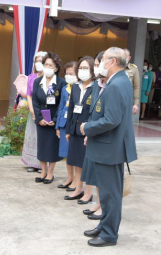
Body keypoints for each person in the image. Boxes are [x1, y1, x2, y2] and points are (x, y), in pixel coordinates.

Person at [80, 47, 137, 247]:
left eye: (102, 59)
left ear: (112, 61)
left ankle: (109, 234)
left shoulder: (116, 84)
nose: (100, 63)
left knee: (110, 194)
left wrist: (88, 127)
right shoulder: (119, 81)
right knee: (106, 192)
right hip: (107, 145)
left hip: (110, 147)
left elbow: (111, 120)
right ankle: (104, 226)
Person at [32, 52, 67, 184]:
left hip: (53, 120)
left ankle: (50, 173)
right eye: (45, 64)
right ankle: (43, 171)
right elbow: (35, 101)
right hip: (41, 120)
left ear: (56, 68)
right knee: (42, 146)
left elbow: (62, 103)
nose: (47, 67)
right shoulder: (37, 82)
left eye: (50, 65)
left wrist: (56, 119)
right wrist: (39, 118)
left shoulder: (61, 82)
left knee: (52, 146)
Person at [65, 56, 94, 203]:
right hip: (75, 130)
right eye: (81, 68)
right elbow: (71, 109)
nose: (83, 71)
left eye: (86, 68)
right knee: (76, 161)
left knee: (86, 163)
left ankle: (88, 193)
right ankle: (78, 189)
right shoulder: (76, 86)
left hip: (87, 131)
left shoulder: (96, 88)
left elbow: (95, 112)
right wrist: (69, 130)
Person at [82, 51, 105, 220]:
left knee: (104, 174)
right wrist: (88, 131)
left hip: (105, 135)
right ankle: (98, 202)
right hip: (94, 131)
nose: (96, 68)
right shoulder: (98, 83)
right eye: (95, 65)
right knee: (95, 172)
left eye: (98, 64)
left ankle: (103, 205)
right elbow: (92, 111)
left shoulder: (115, 84)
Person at [21, 51, 46, 172]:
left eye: (41, 61)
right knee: (32, 135)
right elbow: (29, 95)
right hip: (33, 112)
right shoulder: (31, 77)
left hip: (45, 112)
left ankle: (43, 164)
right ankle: (32, 163)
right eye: (36, 61)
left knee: (43, 137)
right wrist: (32, 111)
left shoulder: (49, 77)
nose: (38, 63)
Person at [56, 61, 78, 189]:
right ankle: (69, 177)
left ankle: (76, 179)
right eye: (67, 73)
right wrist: (58, 126)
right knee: (66, 154)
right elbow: (61, 107)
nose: (69, 76)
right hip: (64, 124)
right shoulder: (65, 88)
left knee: (74, 154)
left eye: (72, 73)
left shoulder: (81, 88)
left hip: (75, 124)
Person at [124, 48, 140, 115]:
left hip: (127, 100)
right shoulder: (115, 67)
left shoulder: (134, 69)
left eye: (125, 56)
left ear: (129, 57)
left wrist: (136, 103)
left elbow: (136, 87)